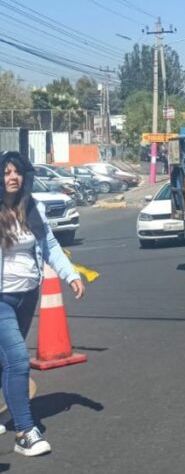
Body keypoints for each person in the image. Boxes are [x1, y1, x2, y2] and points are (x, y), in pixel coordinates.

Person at [0, 152, 84, 456]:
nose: (12, 177)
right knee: (18, 360)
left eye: (17, 172)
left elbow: (48, 244)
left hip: (27, 294)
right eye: (7, 172)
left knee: (6, 360)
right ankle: (25, 431)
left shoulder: (31, 207)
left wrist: (70, 274)